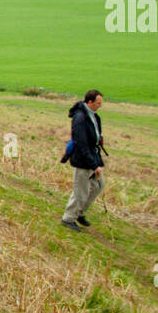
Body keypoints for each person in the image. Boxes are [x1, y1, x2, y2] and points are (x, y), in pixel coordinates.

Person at [60, 89, 106, 231]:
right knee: (81, 191)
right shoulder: (80, 118)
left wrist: (98, 162)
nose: (100, 106)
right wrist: (94, 165)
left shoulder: (94, 116)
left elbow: (94, 140)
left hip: (93, 158)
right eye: (98, 103)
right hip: (82, 160)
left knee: (98, 186)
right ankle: (68, 219)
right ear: (90, 102)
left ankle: (80, 213)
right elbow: (82, 144)